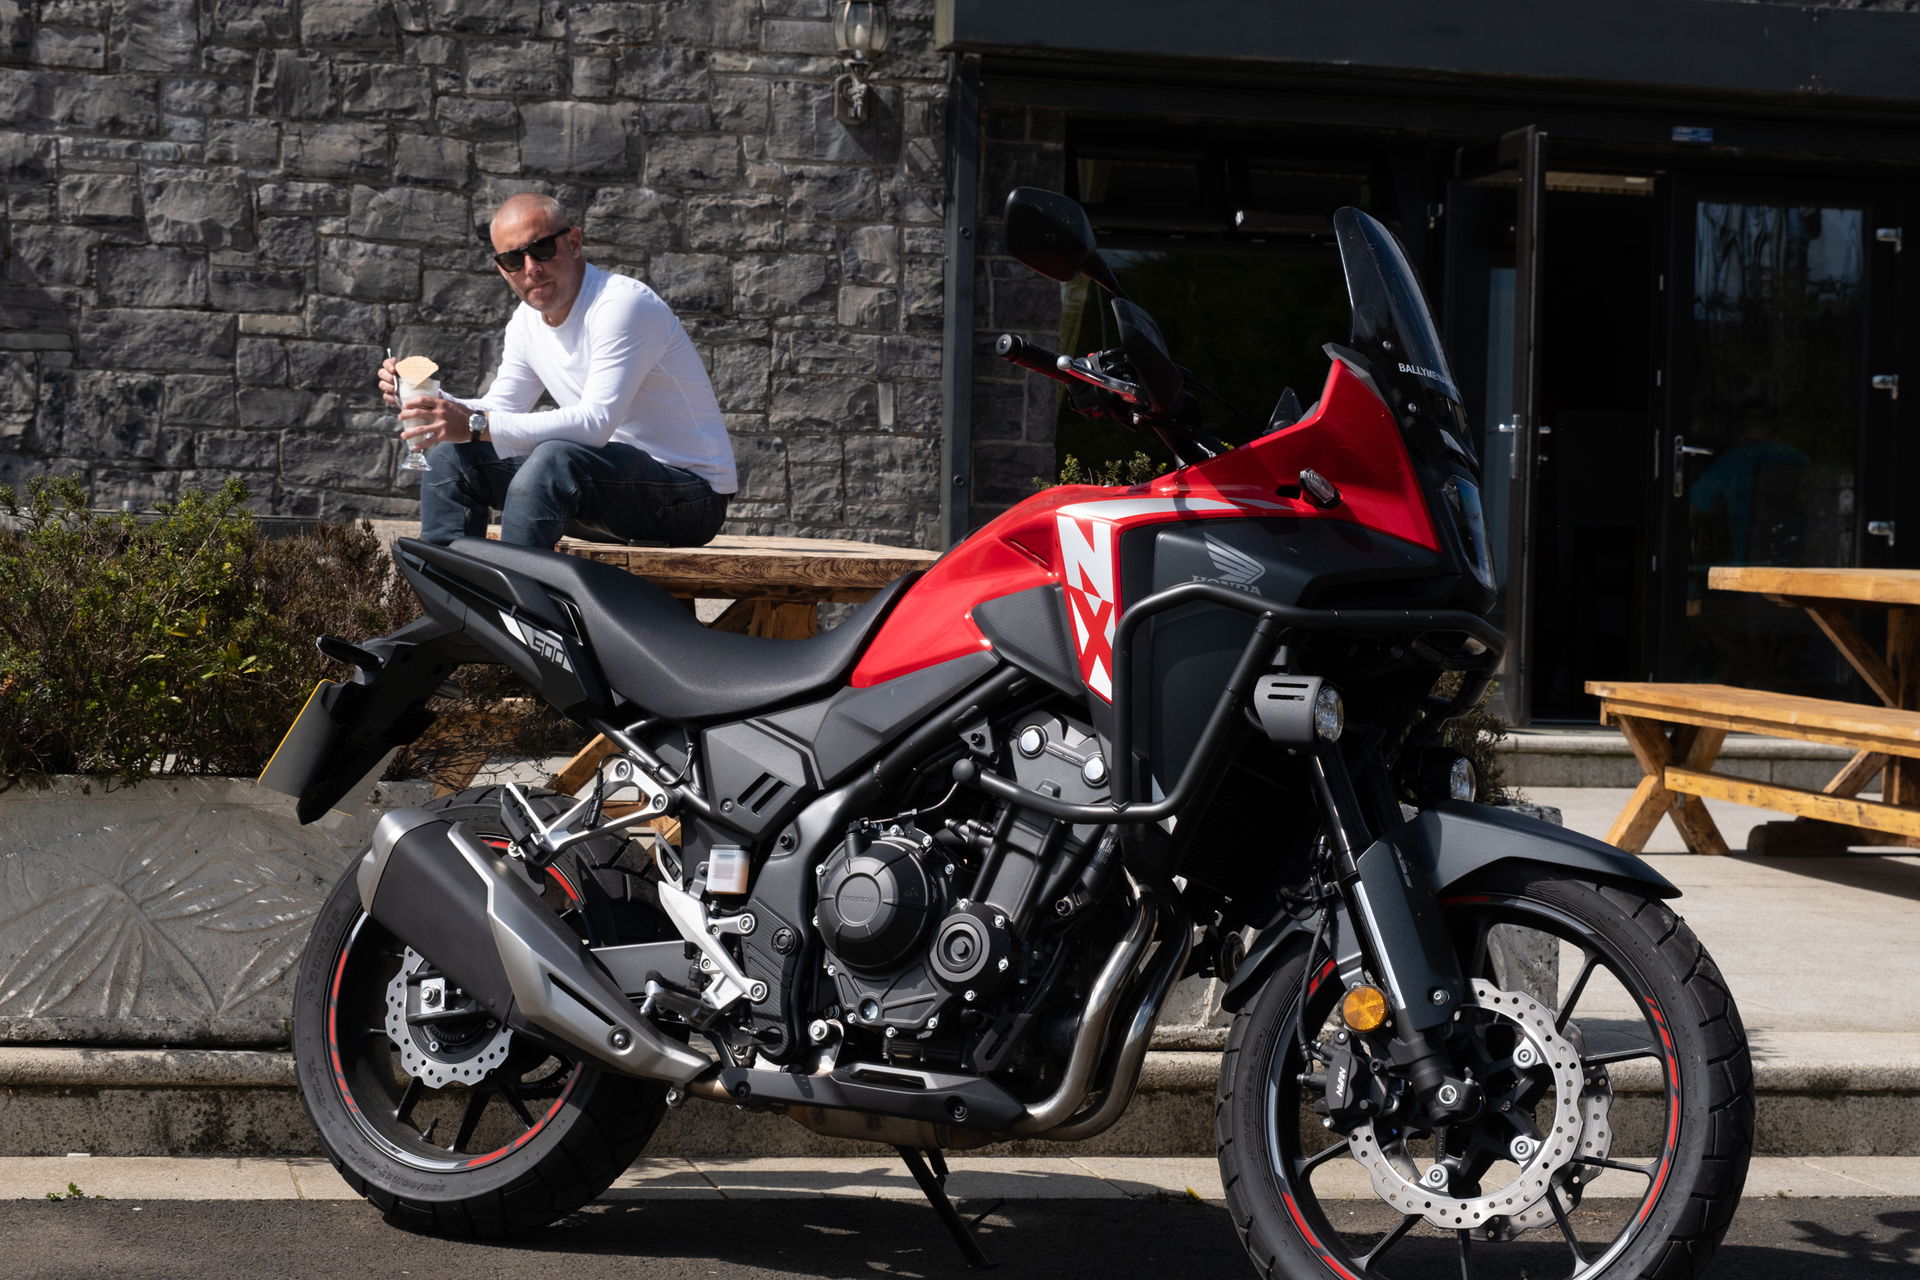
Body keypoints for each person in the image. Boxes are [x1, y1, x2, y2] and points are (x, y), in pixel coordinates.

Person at [380, 193, 737, 549]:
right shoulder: (526, 322)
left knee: (553, 460)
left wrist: (475, 425)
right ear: (502, 270)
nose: (531, 268)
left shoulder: (622, 305)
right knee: (453, 457)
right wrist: (430, 402)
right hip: (597, 492)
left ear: (574, 243)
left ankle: (514, 588)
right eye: (513, 259)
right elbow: (501, 408)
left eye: (542, 249)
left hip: (690, 499)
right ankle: (449, 584)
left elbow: (594, 423)